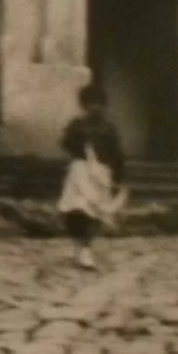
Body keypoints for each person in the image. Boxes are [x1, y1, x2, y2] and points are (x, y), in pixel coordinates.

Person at [57, 82, 127, 271]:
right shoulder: (77, 126)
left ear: (104, 106)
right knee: (76, 210)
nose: (95, 107)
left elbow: (118, 154)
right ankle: (79, 245)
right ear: (84, 105)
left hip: (101, 176)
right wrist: (79, 145)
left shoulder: (109, 129)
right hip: (80, 173)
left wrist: (118, 179)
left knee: (96, 213)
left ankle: (86, 248)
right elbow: (65, 144)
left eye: (99, 103)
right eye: (90, 103)